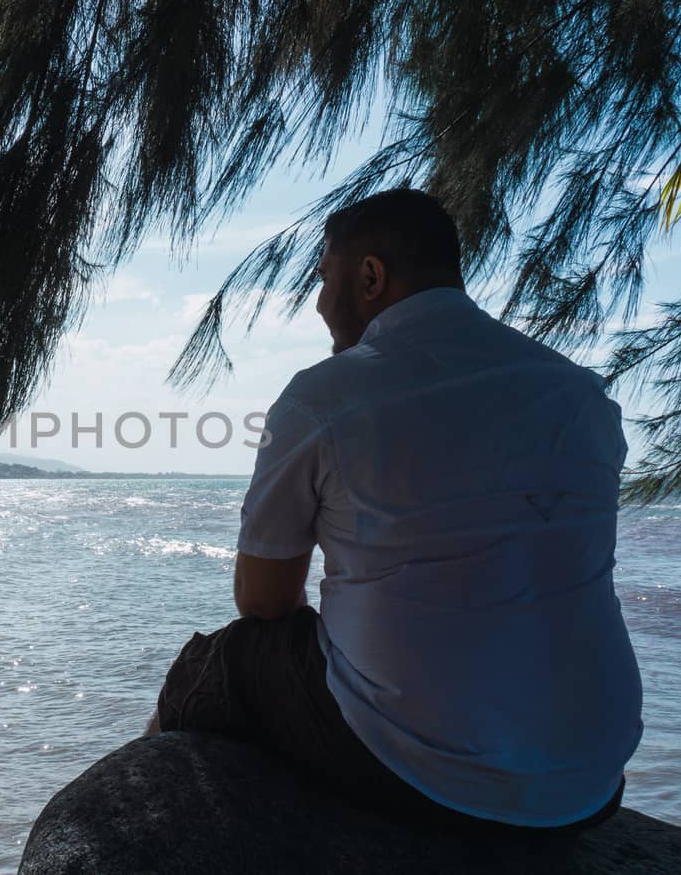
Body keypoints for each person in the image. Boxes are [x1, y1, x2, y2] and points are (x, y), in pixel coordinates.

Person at [149, 188, 643, 834]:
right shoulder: (581, 393)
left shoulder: (322, 397)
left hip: (416, 771)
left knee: (215, 663)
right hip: (588, 783)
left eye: (324, 280)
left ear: (371, 276)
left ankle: (151, 822)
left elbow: (265, 602)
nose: (321, 304)